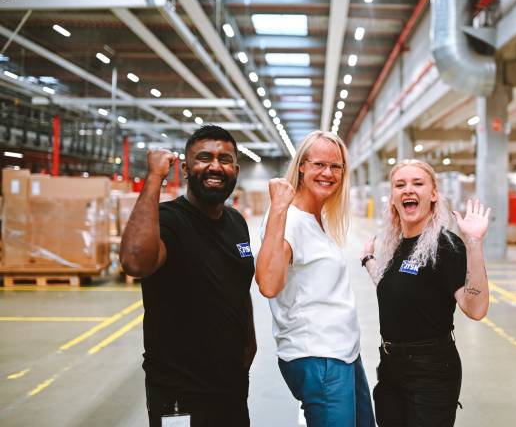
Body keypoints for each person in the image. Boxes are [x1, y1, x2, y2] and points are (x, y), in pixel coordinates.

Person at [120, 125, 256, 427]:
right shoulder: (168, 221)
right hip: (179, 394)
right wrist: (155, 177)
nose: (215, 166)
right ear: (184, 168)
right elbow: (134, 262)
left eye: (224, 159)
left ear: (235, 168)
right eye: (204, 157)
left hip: (231, 387)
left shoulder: (236, 221)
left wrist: (250, 342)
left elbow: (239, 284)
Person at [256, 131, 376, 427]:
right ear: (301, 166)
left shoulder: (317, 217)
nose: (328, 173)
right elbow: (269, 284)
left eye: (336, 167)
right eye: (319, 164)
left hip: (343, 353)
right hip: (318, 356)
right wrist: (279, 210)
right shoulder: (290, 218)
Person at [361, 159, 489, 427]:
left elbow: (475, 308)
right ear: (393, 197)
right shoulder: (396, 244)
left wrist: (474, 243)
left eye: (418, 183)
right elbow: (394, 289)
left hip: (430, 371)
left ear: (433, 195)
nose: (408, 189)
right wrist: (369, 261)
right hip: (391, 368)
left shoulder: (445, 245)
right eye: (400, 184)